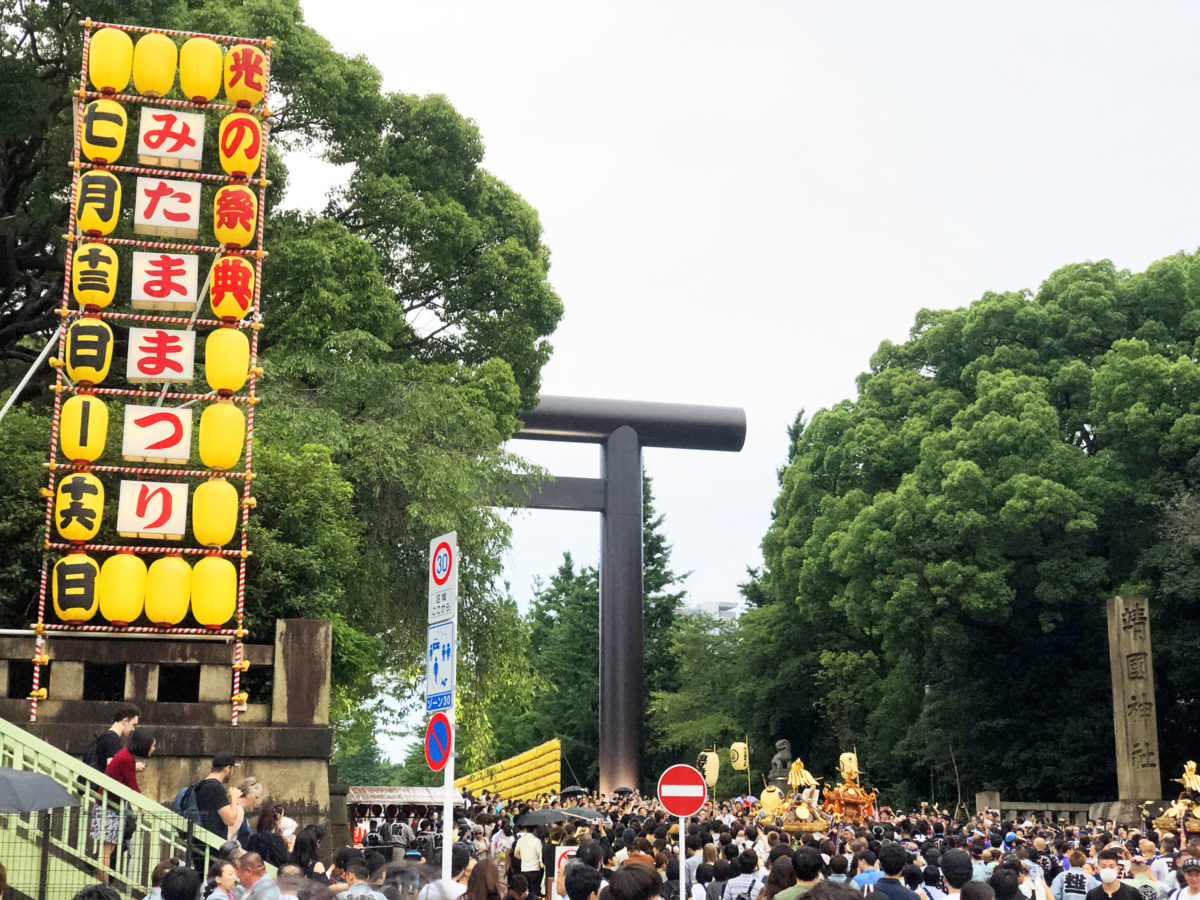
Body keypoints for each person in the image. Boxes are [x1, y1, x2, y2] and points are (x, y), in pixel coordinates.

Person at [90, 727, 155, 882]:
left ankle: (102, 882)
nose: (154, 749)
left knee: (108, 848)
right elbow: (133, 786)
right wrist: (142, 806)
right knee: (106, 850)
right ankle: (103, 884)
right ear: (144, 745)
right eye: (152, 745)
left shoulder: (126, 756)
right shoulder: (126, 759)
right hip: (108, 807)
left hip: (109, 805)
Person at [83, 703, 140, 775]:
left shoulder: (106, 736)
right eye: (133, 725)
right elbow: (113, 771)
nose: (133, 729)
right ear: (125, 721)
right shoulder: (113, 740)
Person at [196, 753, 242, 839]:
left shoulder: (200, 785)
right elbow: (230, 820)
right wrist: (234, 798)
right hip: (212, 844)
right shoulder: (216, 788)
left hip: (201, 839)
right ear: (228, 768)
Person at [246, 801, 291, 868]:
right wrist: (290, 849)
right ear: (278, 816)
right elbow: (285, 862)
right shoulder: (275, 839)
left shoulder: (253, 838)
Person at [515, 825, 545, 900]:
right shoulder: (537, 841)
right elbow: (540, 854)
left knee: (524, 892)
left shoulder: (520, 840)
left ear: (526, 829)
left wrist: (524, 858)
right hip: (534, 869)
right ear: (534, 830)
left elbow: (516, 854)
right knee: (534, 892)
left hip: (524, 869)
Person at [234, 777, 263, 847]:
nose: (257, 802)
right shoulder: (237, 809)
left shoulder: (239, 809)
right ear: (248, 795)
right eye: (256, 797)